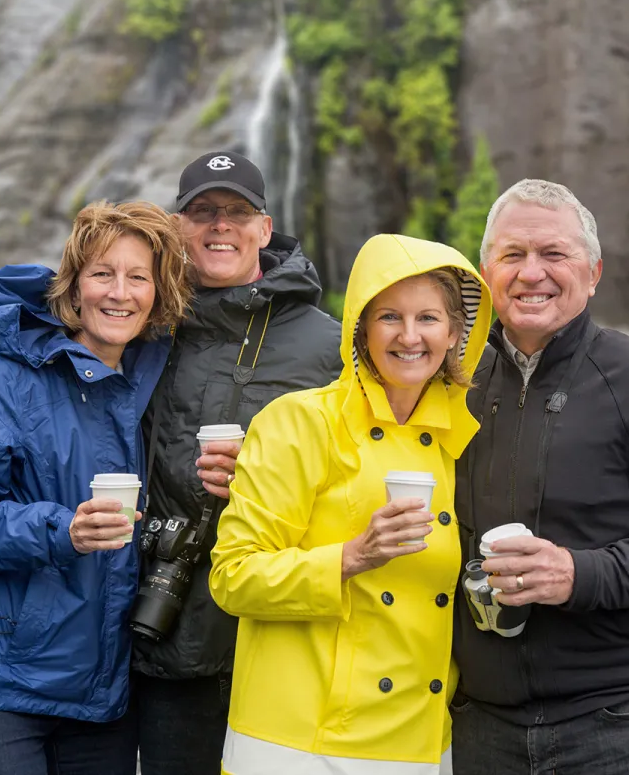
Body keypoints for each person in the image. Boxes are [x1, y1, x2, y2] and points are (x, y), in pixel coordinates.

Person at [209, 232, 492, 775]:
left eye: (428, 318)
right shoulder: (299, 422)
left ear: (456, 332)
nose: (410, 336)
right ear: (360, 326)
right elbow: (233, 576)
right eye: (390, 316)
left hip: (420, 740)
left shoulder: (464, 439)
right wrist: (352, 556)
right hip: (297, 742)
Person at [0, 201, 189, 775]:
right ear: (73, 287)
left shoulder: (153, 382)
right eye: (102, 274)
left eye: (138, 278)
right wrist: (62, 529)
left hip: (100, 691)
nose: (119, 293)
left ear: (159, 294)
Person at [131, 150, 343, 775]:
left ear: (264, 229)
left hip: (279, 632)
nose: (220, 225)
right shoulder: (139, 325)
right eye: (203, 211)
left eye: (237, 212)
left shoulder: (329, 345)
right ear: (177, 227)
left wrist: (268, 468)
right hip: (160, 631)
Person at [452, 179, 629, 775]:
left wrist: (577, 573)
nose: (532, 273)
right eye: (513, 255)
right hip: (476, 724)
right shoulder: (447, 384)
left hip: (613, 722)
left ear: (594, 271)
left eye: (554, 254)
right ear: (486, 272)